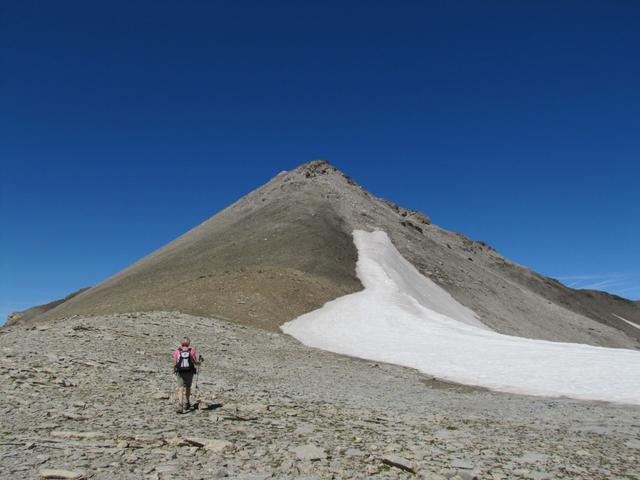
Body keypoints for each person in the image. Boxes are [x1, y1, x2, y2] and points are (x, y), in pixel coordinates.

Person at [172, 337, 201, 413]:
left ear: (181, 343)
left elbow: (175, 363)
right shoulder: (191, 351)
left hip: (180, 372)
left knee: (180, 388)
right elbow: (195, 362)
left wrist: (174, 369)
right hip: (189, 372)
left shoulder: (177, 351)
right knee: (188, 387)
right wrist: (199, 363)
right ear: (189, 343)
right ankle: (187, 402)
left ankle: (180, 405)